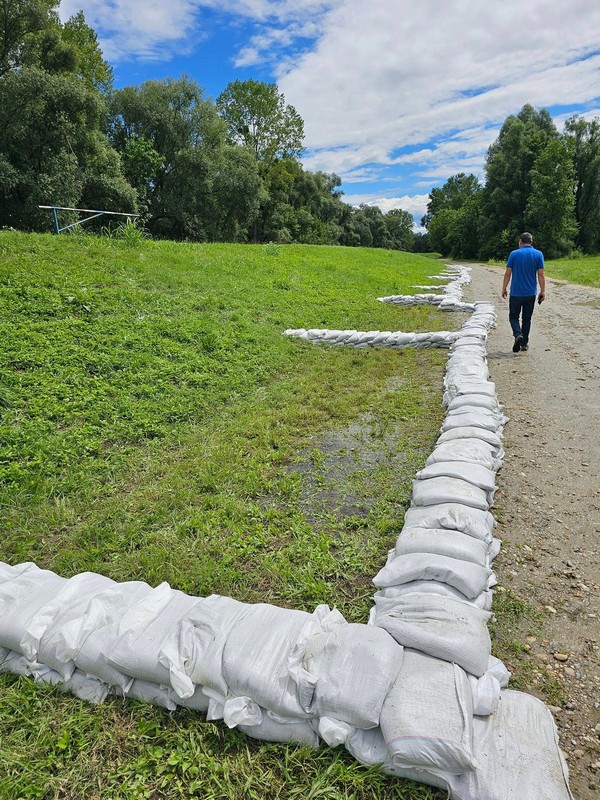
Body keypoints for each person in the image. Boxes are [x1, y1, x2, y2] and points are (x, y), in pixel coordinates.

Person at [501, 232, 545, 352]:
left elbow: (508, 273)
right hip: (531, 293)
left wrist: (504, 288)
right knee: (527, 318)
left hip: (516, 293)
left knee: (513, 317)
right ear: (531, 242)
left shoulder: (514, 254)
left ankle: (517, 334)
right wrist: (543, 291)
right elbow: (540, 274)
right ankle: (524, 344)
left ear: (520, 242)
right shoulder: (538, 254)